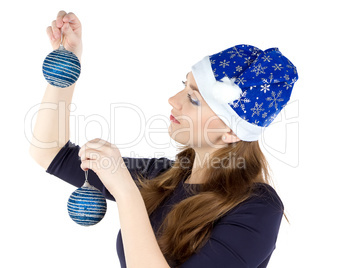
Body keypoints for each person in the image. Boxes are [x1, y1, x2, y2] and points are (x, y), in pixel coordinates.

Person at [30, 10, 298, 268]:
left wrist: (125, 190)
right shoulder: (165, 177)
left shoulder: (258, 210)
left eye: (193, 98)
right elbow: (50, 153)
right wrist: (66, 64)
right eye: (185, 86)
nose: (173, 100)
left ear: (231, 130)